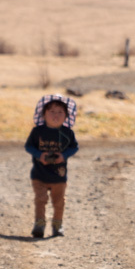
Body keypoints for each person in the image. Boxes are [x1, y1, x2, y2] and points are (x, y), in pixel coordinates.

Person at [25, 96, 79, 238]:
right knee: (40, 199)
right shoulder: (37, 132)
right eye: (52, 111)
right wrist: (39, 155)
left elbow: (74, 147)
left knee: (59, 202)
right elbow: (29, 146)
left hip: (59, 176)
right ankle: (39, 225)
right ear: (43, 114)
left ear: (67, 116)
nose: (56, 115)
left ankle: (57, 225)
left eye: (60, 112)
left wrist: (64, 155)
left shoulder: (68, 133)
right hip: (39, 174)